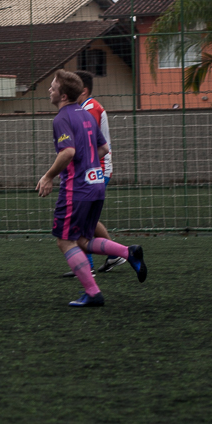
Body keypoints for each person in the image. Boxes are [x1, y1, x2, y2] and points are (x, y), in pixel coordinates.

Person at [36, 70, 147, 307]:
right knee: (84, 241)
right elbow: (104, 149)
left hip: (76, 189)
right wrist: (88, 162)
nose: (49, 90)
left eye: (53, 87)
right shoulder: (85, 115)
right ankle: (128, 252)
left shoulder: (62, 118)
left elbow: (68, 152)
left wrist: (48, 177)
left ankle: (93, 293)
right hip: (96, 185)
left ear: (63, 96)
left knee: (65, 241)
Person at [66, 69, 127, 275]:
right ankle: (113, 254)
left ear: (82, 90)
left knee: (80, 219)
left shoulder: (90, 108)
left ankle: (88, 266)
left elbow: (89, 143)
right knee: (85, 219)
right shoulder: (84, 108)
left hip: (95, 169)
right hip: (92, 169)